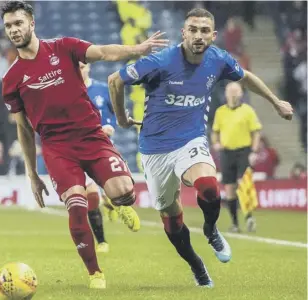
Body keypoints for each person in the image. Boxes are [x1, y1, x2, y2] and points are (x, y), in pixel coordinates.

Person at [107, 8, 293, 288]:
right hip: (154, 149)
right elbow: (115, 79)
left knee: (208, 185)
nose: (198, 35)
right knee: (171, 215)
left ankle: (211, 230)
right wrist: (121, 118)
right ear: (183, 33)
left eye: (204, 30)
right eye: (192, 29)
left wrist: (276, 102)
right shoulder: (161, 61)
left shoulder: (218, 59)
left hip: (190, 140)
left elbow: (246, 78)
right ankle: (197, 266)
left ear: (213, 35)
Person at [0, 1, 168, 289]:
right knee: (76, 205)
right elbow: (23, 129)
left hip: (91, 135)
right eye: (9, 26)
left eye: (18, 23)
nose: (14, 30)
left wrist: (136, 51)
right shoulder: (12, 79)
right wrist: (32, 174)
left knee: (124, 191)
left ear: (32, 23)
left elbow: (103, 52)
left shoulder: (64, 47)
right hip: (57, 148)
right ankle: (95, 273)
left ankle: (118, 203)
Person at [79, 62, 139, 254]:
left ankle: (116, 203)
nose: (79, 70)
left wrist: (112, 125)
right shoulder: (69, 91)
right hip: (80, 147)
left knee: (117, 183)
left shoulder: (101, 90)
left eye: (82, 66)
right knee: (91, 194)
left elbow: (115, 113)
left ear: (88, 67)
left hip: (103, 144)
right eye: (76, 67)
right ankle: (102, 241)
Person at [211, 81, 262, 233]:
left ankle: (249, 217)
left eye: (236, 91)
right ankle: (235, 223)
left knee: (243, 183)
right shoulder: (220, 112)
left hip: (244, 151)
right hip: (227, 152)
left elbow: (256, 132)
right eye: (230, 92)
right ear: (226, 94)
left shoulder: (248, 111)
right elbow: (215, 132)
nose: (233, 94)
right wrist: (216, 144)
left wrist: (253, 151)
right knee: (229, 188)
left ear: (241, 93)